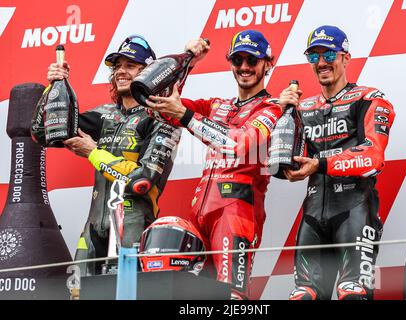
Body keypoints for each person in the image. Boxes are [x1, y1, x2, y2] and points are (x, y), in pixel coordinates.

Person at [144, 30, 284, 299]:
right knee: (194, 297)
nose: (244, 67)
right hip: (198, 214)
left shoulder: (272, 108)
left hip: (237, 213)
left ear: (269, 62)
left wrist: (186, 116)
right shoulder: (216, 105)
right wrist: (187, 62)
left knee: (232, 296)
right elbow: (158, 105)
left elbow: (239, 145)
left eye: (252, 60)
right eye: (237, 60)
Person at [31, 35, 181, 276]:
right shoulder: (104, 115)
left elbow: (141, 182)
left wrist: (93, 152)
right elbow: (41, 133)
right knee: (77, 292)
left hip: (132, 226)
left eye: (130, 65)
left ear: (148, 72)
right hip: (93, 228)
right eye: (117, 66)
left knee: (125, 294)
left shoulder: (162, 118)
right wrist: (55, 86)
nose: (121, 71)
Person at [279, 25, 395, 300]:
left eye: (329, 53)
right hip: (312, 216)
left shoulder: (369, 98)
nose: (321, 62)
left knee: (352, 294)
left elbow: (373, 157)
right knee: (302, 296)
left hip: (355, 211)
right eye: (313, 56)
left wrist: (319, 164)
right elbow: (280, 164)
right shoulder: (303, 109)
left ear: (345, 57)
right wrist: (280, 112)